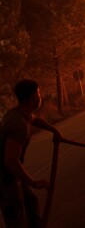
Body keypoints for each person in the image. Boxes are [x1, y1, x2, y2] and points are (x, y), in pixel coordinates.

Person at [0, 79, 62, 228]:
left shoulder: (19, 114)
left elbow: (34, 120)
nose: (40, 96)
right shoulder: (19, 125)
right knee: (17, 220)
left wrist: (54, 130)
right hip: (5, 180)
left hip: (10, 176)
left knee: (30, 203)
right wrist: (34, 182)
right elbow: (11, 161)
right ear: (34, 97)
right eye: (39, 93)